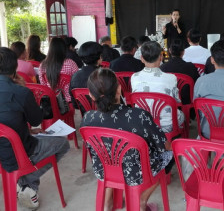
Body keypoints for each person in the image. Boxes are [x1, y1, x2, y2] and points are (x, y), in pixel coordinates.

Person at [0, 47, 69, 209]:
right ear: (15, 68)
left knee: (32, 137)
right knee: (62, 143)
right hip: (18, 154)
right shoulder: (20, 92)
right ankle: (27, 182)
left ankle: (25, 184)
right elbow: (36, 119)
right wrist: (24, 89)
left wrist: (28, 130)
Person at [81, 68, 173, 211]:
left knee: (109, 155)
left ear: (91, 96)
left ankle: (107, 205)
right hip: (135, 172)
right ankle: (141, 202)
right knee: (169, 155)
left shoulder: (87, 118)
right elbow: (163, 146)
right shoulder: (138, 116)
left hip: (104, 170)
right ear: (119, 90)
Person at [131, 41, 185, 133]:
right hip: (167, 124)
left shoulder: (134, 77)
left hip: (142, 122)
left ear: (142, 58)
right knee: (182, 115)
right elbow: (176, 101)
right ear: (161, 57)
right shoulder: (171, 78)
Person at [39, 37, 79, 102]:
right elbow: (77, 81)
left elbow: (43, 84)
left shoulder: (43, 65)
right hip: (69, 101)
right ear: (64, 49)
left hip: (51, 101)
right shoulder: (70, 63)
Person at [160, 39, 199, 105]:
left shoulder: (163, 68)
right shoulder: (191, 67)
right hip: (188, 104)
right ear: (183, 52)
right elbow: (197, 85)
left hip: (169, 104)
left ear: (170, 51)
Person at [69, 41, 103, 113]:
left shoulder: (75, 76)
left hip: (86, 117)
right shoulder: (105, 76)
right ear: (99, 57)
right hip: (105, 115)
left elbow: (75, 104)